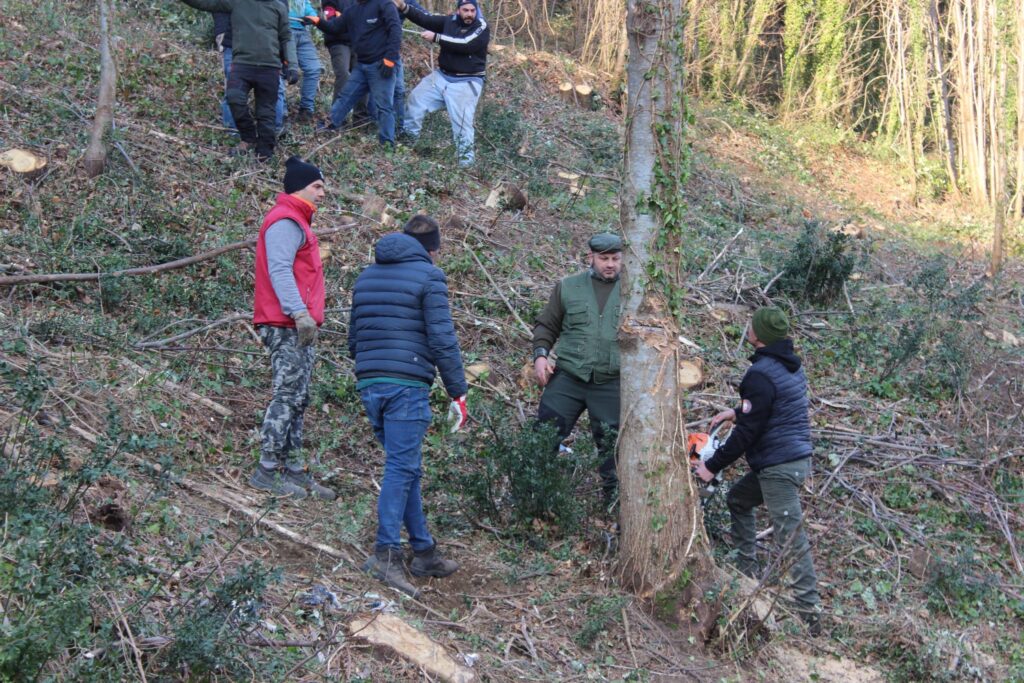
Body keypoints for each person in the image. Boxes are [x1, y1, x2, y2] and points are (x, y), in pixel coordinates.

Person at [347, 216, 469, 596]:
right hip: (406, 385)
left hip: (370, 383)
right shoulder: (430, 277)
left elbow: (353, 339)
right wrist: (458, 391)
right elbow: (442, 338)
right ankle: (385, 553)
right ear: (432, 249)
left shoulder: (366, 277)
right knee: (401, 467)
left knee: (406, 466)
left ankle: (424, 551)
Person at [693, 306, 822, 633]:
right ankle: (746, 575)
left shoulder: (760, 374)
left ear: (759, 336)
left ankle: (809, 615)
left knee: (791, 537)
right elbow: (770, 408)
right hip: (791, 459)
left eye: (751, 325)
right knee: (738, 499)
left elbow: (748, 433)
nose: (747, 328)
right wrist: (737, 412)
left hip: (779, 466)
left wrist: (711, 466)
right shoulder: (789, 365)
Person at [250, 157, 336, 501]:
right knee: (287, 396)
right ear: (299, 187)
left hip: (297, 324)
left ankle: (294, 469)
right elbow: (280, 269)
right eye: (317, 186)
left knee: (299, 398)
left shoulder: (298, 221)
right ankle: (266, 470)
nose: (322, 193)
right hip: (285, 323)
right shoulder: (285, 221)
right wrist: (298, 312)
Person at [531, 233, 622, 504]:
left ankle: (613, 506)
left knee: (612, 450)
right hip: (569, 377)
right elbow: (547, 325)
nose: (610, 264)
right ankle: (534, 499)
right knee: (544, 436)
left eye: (615, 258)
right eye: (604, 258)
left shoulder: (635, 291)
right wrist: (540, 356)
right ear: (591, 257)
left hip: (611, 382)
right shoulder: (568, 287)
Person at [180, 0, 298, 161]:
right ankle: (248, 138)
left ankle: (265, 151)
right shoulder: (237, 2)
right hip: (242, 64)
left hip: (269, 67)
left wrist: (292, 65)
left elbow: (286, 37)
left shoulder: (279, 6)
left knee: (266, 112)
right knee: (234, 97)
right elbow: (207, 3)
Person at [392, 0, 489, 167]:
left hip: (467, 81)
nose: (469, 14)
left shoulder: (481, 26)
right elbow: (425, 19)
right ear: (458, 10)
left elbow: (466, 44)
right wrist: (403, 7)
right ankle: (407, 145)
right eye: (465, 10)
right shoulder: (449, 21)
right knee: (416, 100)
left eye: (472, 10)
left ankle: (465, 166)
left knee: (462, 125)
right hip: (442, 76)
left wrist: (437, 37)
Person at [311, 0, 402, 147]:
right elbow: (334, 27)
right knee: (345, 97)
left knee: (384, 106)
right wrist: (317, 21)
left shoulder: (384, 4)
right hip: (362, 65)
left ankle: (387, 144)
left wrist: (390, 59)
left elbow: (395, 30)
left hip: (381, 64)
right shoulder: (353, 11)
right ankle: (329, 125)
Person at [213, 12, 286, 134]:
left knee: (275, 89)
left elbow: (282, 20)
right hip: (235, 44)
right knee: (233, 91)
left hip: (267, 47)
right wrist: (221, 33)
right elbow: (219, 6)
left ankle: (273, 131)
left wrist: (283, 52)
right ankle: (232, 132)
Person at [286, 0, 322, 122]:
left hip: (302, 31)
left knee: (314, 68)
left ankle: (306, 110)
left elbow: (306, 6)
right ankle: (280, 112)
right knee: (285, 70)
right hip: (285, 30)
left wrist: (312, 17)